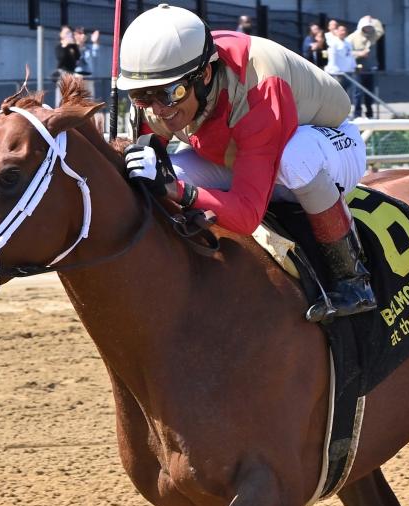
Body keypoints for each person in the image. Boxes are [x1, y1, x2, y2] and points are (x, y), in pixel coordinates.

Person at [118, 4, 375, 321]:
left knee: (293, 158)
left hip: (331, 146)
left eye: (171, 93)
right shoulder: (162, 90)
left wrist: (179, 191)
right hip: (242, 154)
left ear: (205, 74)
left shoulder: (261, 88)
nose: (158, 109)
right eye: (142, 96)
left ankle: (352, 279)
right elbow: (153, 164)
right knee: (173, 168)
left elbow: (246, 215)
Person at [346, 16, 384, 119]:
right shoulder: (351, 38)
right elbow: (346, 53)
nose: (368, 29)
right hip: (358, 70)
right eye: (366, 27)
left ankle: (370, 113)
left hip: (370, 69)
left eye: (370, 27)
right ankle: (357, 114)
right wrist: (360, 54)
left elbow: (380, 30)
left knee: (370, 93)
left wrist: (373, 19)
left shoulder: (372, 36)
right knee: (357, 93)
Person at [324, 24, 355, 94]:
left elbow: (350, 55)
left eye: (344, 30)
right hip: (338, 73)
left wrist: (353, 67)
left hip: (348, 72)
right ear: (337, 31)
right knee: (337, 93)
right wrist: (335, 71)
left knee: (345, 93)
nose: (343, 32)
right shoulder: (333, 42)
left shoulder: (348, 43)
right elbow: (332, 57)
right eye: (341, 30)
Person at [54, 25, 80, 106]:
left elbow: (77, 57)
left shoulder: (72, 46)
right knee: (61, 95)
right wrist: (65, 47)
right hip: (63, 73)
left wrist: (74, 46)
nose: (68, 35)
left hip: (72, 73)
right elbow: (61, 59)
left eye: (69, 33)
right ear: (61, 34)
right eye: (66, 33)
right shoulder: (59, 47)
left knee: (72, 96)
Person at [73, 27, 101, 98]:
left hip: (88, 78)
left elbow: (96, 54)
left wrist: (95, 42)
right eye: (80, 33)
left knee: (90, 100)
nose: (83, 35)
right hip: (76, 79)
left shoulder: (88, 48)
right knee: (77, 100)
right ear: (75, 35)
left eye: (84, 34)